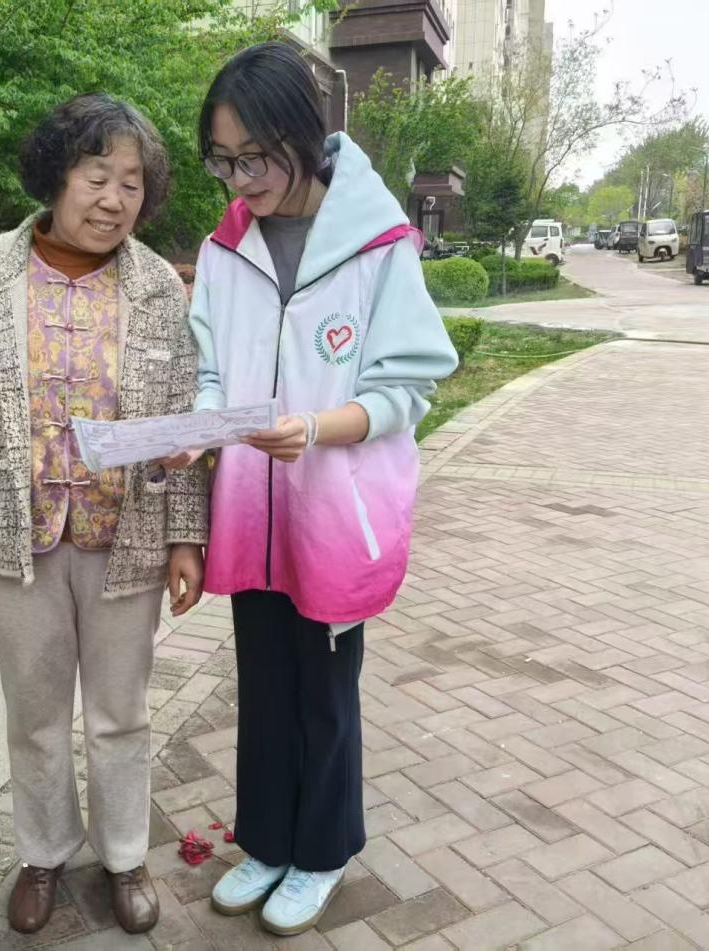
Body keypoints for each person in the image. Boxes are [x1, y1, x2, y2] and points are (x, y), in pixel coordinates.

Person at [164, 43, 458, 936]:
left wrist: (317, 428)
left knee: (324, 692)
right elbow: (212, 371)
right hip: (251, 512)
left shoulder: (376, 243)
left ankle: (321, 851)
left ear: (302, 135)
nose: (239, 180)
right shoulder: (227, 247)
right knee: (261, 682)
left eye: (254, 157)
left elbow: (407, 387)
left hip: (334, 512)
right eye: (222, 160)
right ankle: (264, 841)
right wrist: (199, 429)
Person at [0, 93, 209, 936]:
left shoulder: (157, 286)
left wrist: (185, 536)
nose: (114, 199)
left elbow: (180, 421)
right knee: (34, 714)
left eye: (131, 183)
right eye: (96, 176)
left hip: (127, 537)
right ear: (56, 175)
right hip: (18, 536)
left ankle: (124, 856)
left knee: (121, 712)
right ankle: (42, 852)